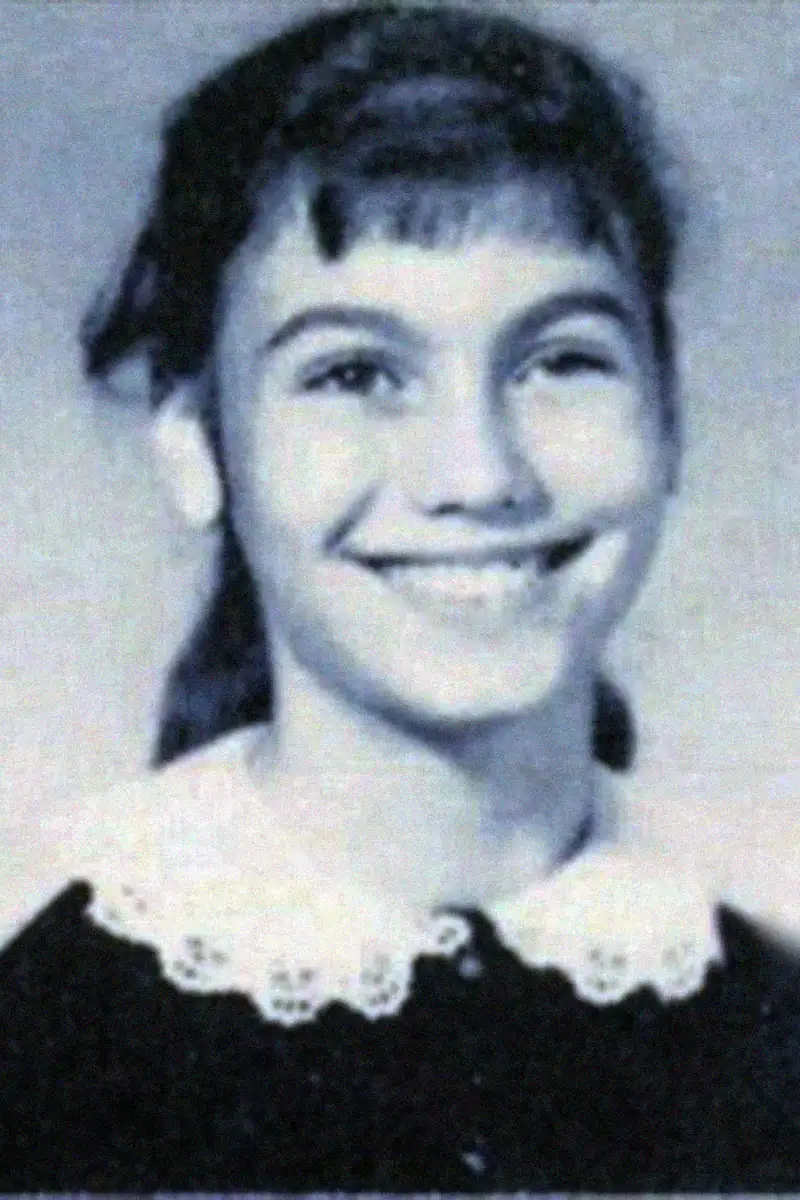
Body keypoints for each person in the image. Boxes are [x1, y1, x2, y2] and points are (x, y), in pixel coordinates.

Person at [2, 2, 800, 1191]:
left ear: (669, 418)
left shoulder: (761, 999)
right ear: (195, 447)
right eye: (354, 373)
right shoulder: (46, 1048)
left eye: (559, 359)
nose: (477, 475)